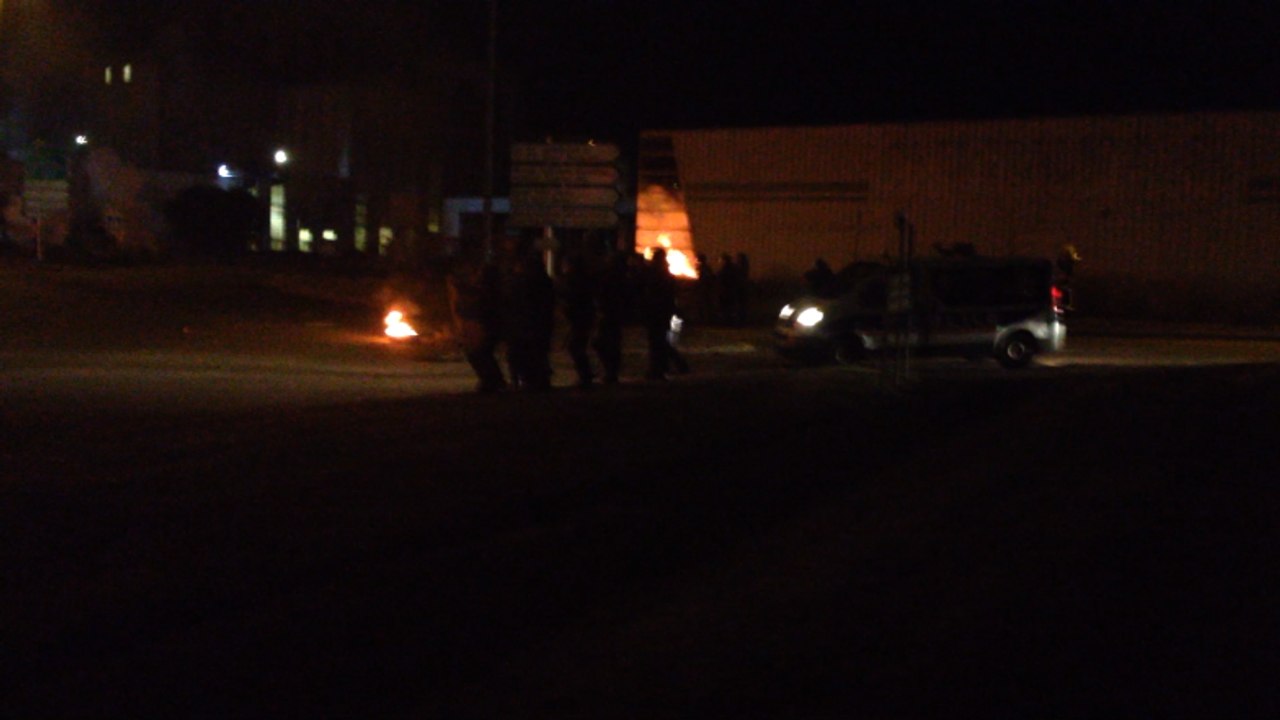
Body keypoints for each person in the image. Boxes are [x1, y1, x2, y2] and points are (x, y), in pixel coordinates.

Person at [446, 255, 507, 393]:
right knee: (479, 353)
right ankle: (492, 380)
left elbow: (476, 300)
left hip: (486, 326)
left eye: (480, 273)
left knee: (480, 353)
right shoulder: (485, 289)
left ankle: (493, 381)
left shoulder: (490, 291)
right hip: (483, 326)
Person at [500, 246, 555, 390]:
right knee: (536, 354)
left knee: (520, 353)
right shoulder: (544, 282)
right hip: (538, 325)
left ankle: (523, 380)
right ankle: (536, 380)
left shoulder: (522, 283)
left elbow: (512, 302)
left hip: (523, 325)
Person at [640, 248, 683, 380]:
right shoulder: (666, 274)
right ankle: (665, 366)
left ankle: (658, 369)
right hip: (664, 311)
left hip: (656, 311)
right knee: (660, 340)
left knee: (656, 341)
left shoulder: (656, 274)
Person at [560, 252, 597, 388]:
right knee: (577, 346)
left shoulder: (573, 279)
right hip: (582, 317)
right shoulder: (582, 278)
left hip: (580, 317)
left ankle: (585, 375)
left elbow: (572, 297)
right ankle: (585, 375)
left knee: (576, 346)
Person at [593, 251, 631, 384]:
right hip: (613, 314)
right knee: (610, 343)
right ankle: (610, 371)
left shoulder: (611, 276)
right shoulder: (621, 276)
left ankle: (610, 371)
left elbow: (604, 293)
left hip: (609, 314)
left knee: (604, 343)